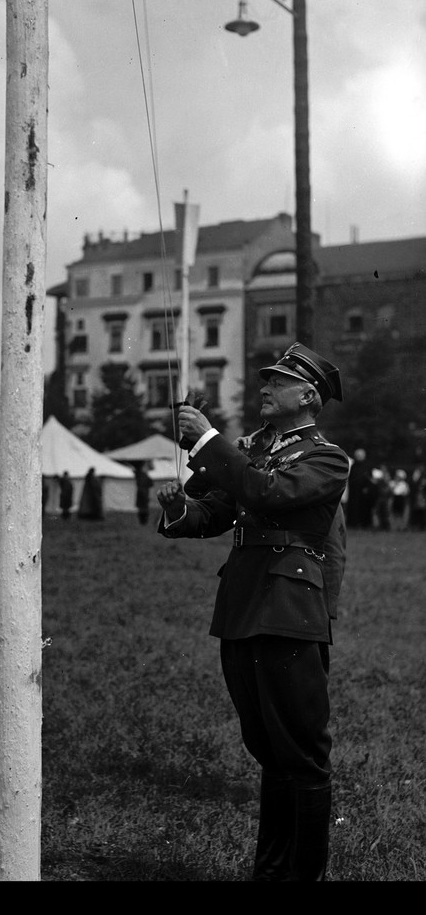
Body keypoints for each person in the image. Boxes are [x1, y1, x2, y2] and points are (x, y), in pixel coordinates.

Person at [156, 342, 349, 882]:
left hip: (289, 613)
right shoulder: (253, 451)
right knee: (269, 748)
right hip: (243, 610)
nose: (264, 386)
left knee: (301, 754)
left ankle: (301, 874)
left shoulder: (327, 458)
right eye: (265, 378)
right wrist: (179, 510)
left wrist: (212, 440)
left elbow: (264, 492)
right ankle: (272, 872)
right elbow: (213, 511)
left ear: (308, 396)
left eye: (278, 381)